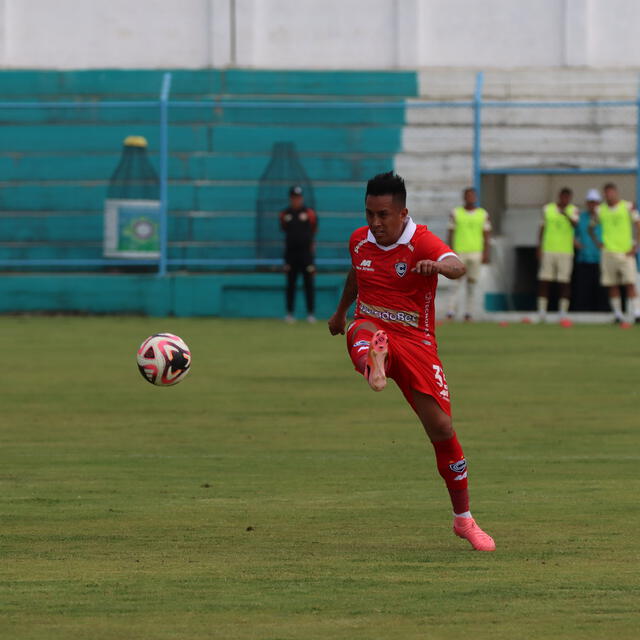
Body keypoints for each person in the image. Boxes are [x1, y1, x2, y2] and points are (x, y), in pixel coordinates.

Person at [328, 172, 495, 552]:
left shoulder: (420, 241)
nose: (375, 223)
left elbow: (457, 265)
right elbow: (356, 274)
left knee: (442, 427)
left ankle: (463, 520)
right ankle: (374, 364)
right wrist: (340, 313)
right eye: (369, 213)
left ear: (403, 212)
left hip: (416, 342)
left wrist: (436, 267)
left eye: (383, 214)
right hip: (373, 327)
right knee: (364, 330)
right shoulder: (359, 240)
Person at [589, 183, 640, 324]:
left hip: (625, 252)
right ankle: (618, 314)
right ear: (604, 194)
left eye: (611, 192)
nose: (609, 195)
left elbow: (638, 225)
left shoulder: (627, 207)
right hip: (608, 252)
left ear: (616, 193)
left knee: (630, 283)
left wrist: (636, 245)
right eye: (606, 193)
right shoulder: (600, 210)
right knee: (612, 284)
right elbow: (591, 228)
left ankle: (637, 314)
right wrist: (598, 243)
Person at [446, 187, 491, 321]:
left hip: (476, 253)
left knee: (471, 284)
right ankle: (450, 312)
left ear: (476, 197)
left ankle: (469, 314)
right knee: (455, 283)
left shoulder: (483, 214)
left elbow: (487, 234)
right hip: (459, 253)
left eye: (473, 195)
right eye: (468, 195)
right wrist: (449, 252)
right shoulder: (455, 213)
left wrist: (486, 253)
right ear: (464, 197)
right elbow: (451, 233)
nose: (471, 198)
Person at [536, 187, 579, 325]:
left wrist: (565, 214)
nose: (564, 199)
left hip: (565, 251)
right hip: (549, 249)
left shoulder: (573, 210)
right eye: (563, 197)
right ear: (559, 196)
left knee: (564, 282)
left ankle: (563, 313)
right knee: (545, 281)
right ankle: (542, 312)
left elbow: (575, 224)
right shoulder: (548, 209)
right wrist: (539, 247)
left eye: (567, 197)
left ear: (570, 198)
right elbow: (542, 228)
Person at [280, 185, 318, 323]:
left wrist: (312, 260)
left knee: (309, 284)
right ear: (290, 199)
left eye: (298, 198)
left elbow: (313, 232)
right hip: (291, 255)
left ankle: (310, 313)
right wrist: (285, 261)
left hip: (306, 255)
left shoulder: (309, 214)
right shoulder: (285, 214)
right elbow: (285, 233)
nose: (296, 200)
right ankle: (289, 313)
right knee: (290, 284)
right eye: (294, 198)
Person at [572, 189, 608, 312]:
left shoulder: (605, 217)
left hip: (601, 257)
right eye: (590, 202)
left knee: (602, 287)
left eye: (595, 202)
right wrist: (575, 243)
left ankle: (602, 311)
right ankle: (583, 311)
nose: (593, 205)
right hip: (584, 257)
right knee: (583, 287)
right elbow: (572, 233)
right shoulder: (581, 218)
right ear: (587, 203)